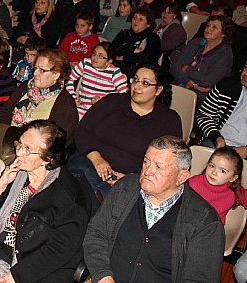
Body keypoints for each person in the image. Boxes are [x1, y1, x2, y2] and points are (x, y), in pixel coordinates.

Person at [0, 120, 91, 283]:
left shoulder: (68, 198)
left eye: (28, 149)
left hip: (39, 262)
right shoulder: (18, 173)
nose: (19, 152)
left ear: (48, 159)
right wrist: (0, 185)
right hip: (0, 244)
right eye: (19, 144)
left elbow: (59, 250)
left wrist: (15, 276)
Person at [83, 136, 224, 283]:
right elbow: (96, 234)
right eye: (146, 162)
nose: (147, 171)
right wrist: (103, 275)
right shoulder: (125, 188)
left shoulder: (204, 221)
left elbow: (200, 279)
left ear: (181, 176)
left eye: (158, 167)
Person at [71, 63, 182, 196]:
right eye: (135, 80)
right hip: (89, 163)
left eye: (145, 83)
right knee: (82, 183)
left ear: (158, 90)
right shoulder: (112, 101)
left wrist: (134, 180)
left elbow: (168, 162)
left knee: (108, 197)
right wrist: (96, 158)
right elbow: (82, 130)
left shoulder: (169, 120)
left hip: (133, 181)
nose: (137, 86)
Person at [0, 49, 79, 163]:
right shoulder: (26, 87)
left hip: (34, 156)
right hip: (6, 143)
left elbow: (53, 145)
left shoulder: (65, 106)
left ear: (56, 75)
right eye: (35, 68)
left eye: (42, 70)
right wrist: (2, 138)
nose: (35, 73)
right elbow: (6, 112)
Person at [170, 15, 233, 102]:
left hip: (201, 98)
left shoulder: (225, 53)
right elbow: (175, 67)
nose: (208, 29)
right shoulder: (197, 42)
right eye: (208, 25)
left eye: (214, 27)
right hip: (180, 87)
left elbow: (208, 81)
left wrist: (187, 69)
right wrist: (190, 83)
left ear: (223, 34)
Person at [66, 41, 128, 119]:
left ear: (109, 61)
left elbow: (124, 96)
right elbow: (69, 80)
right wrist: (73, 98)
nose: (95, 58)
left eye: (100, 56)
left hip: (101, 112)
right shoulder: (85, 63)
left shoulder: (114, 72)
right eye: (94, 53)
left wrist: (103, 101)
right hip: (81, 108)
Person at [189, 147, 247, 225]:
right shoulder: (193, 182)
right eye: (212, 166)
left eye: (223, 171)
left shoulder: (235, 191)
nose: (214, 173)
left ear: (233, 178)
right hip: (189, 224)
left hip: (212, 229)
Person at [197, 64, 247, 152]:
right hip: (218, 141)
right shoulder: (226, 86)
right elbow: (204, 115)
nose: (245, 73)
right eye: (246, 67)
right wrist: (217, 138)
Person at [112, 6, 162, 76]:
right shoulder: (124, 33)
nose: (136, 21)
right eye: (134, 18)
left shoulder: (153, 38)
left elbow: (147, 58)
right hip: (117, 69)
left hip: (140, 74)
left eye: (141, 19)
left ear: (148, 24)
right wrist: (133, 49)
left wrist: (124, 57)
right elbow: (113, 49)